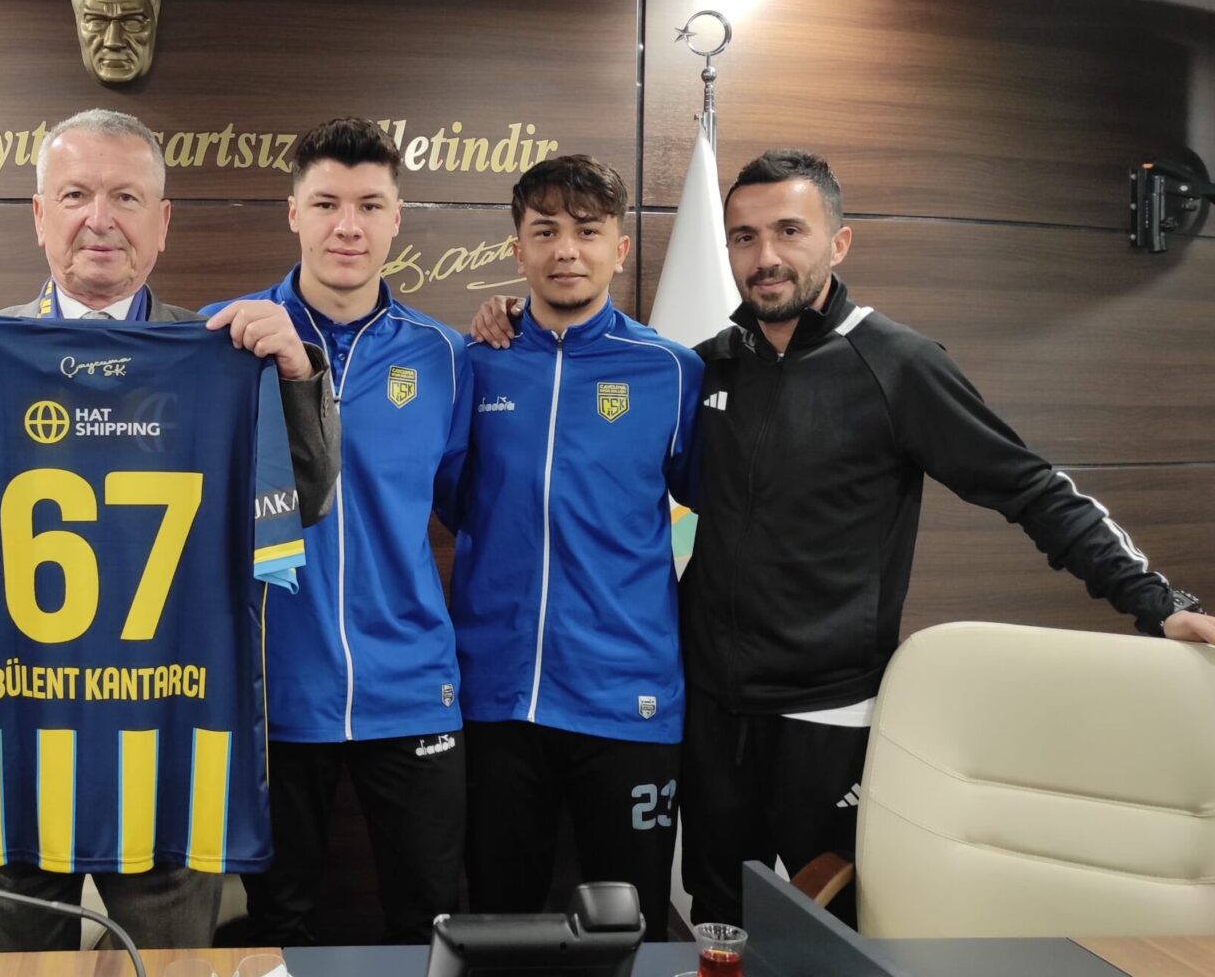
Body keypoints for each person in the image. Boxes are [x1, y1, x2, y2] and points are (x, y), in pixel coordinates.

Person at [473, 147, 1215, 928]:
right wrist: (514, 320)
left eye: (789, 231)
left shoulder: (898, 364)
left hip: (830, 715)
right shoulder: (708, 369)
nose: (766, 256)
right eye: (744, 237)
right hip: (712, 710)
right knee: (719, 922)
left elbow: (1031, 488)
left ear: (839, 241)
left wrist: (1155, 600)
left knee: (839, 926)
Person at [0, 107, 339, 952]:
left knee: (164, 972)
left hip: (171, 749)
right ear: (40, 215)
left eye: (126, 196)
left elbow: (309, 502)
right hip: (14, 745)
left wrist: (295, 377)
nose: (99, 219)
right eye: (75, 195)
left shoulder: (227, 355)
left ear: (163, 221)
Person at [205, 117, 472, 946]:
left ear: (397, 218)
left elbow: (465, 507)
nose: (347, 226)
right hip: (272, 690)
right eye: (326, 203)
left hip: (412, 686)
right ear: (293, 213)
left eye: (369, 205)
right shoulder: (221, 337)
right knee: (275, 927)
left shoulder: (447, 356)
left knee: (430, 926)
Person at [443, 155, 699, 940]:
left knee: (631, 928)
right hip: (498, 696)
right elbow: (451, 501)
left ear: (619, 249)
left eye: (587, 232)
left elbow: (713, 510)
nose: (566, 250)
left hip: (628, 701)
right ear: (516, 249)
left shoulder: (672, 372)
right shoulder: (473, 363)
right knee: (499, 924)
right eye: (545, 231)